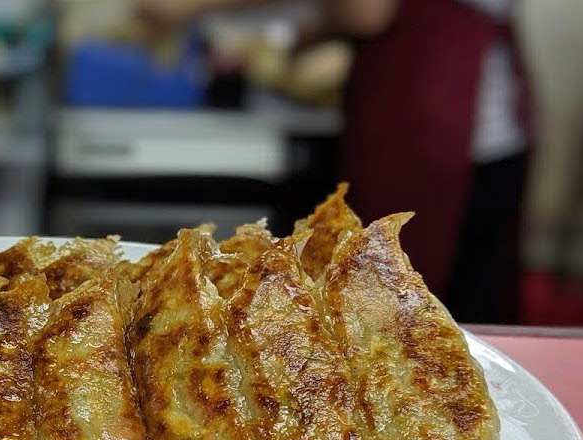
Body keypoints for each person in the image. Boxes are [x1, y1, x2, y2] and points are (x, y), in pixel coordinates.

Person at [140, 0, 532, 323]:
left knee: (392, 301)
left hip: (428, 119)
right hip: (497, 128)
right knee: (470, 302)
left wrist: (192, 7)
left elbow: (364, 11)